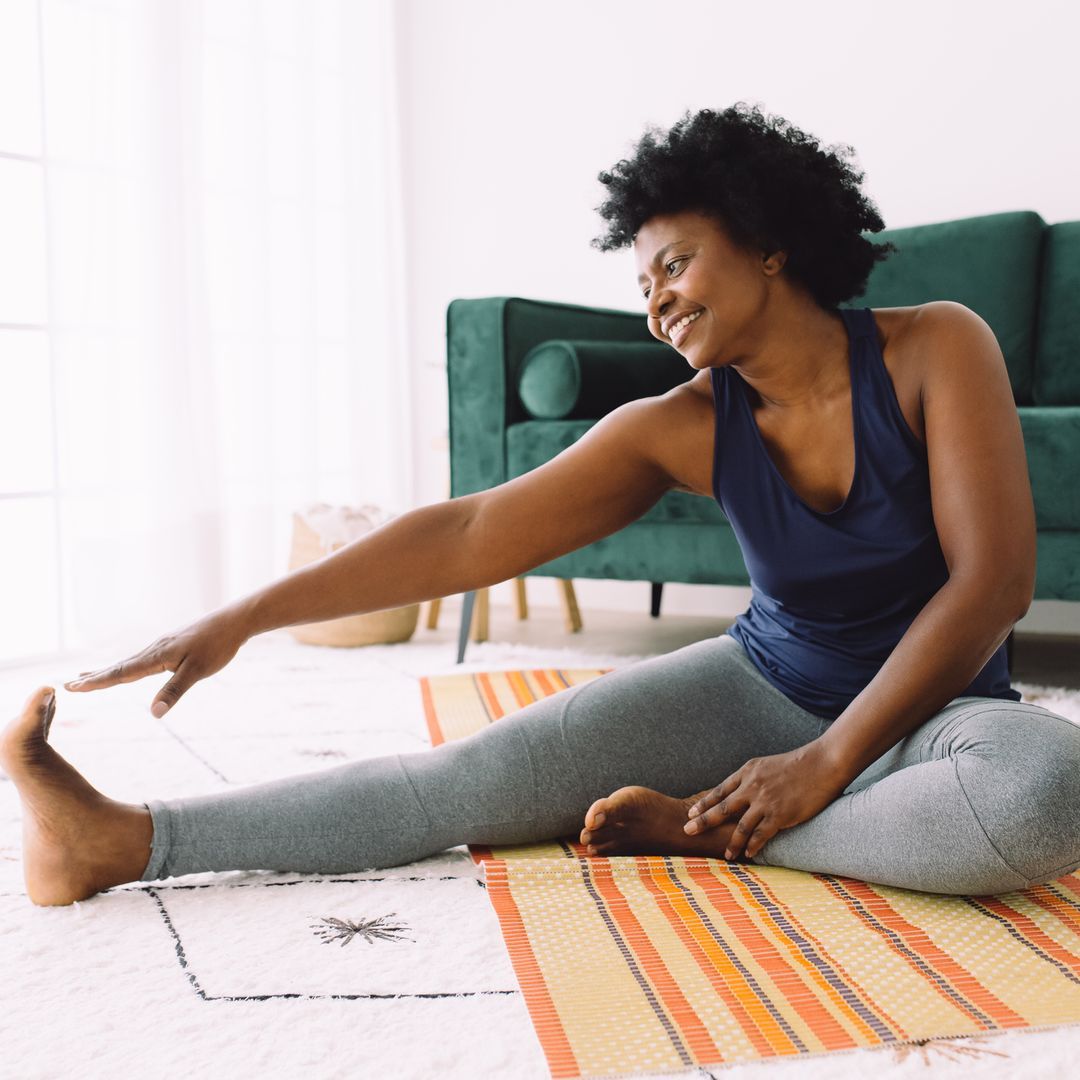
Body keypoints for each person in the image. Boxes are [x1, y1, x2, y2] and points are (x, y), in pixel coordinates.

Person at [4, 103, 1079, 908]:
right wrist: (244, 614)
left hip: (936, 721)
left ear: (769, 240)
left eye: (676, 263)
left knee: (1046, 790)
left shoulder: (938, 346)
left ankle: (717, 833)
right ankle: (122, 842)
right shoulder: (683, 424)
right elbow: (471, 531)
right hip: (761, 689)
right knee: (468, 782)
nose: (657, 301)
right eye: (643, 284)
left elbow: (994, 587)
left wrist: (818, 774)